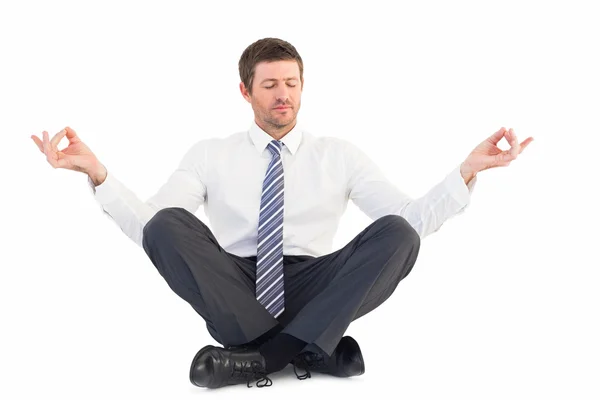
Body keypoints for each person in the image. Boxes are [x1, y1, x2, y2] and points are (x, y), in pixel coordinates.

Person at [31, 37, 534, 389]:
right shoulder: (211, 153)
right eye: (270, 84)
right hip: (236, 288)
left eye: (292, 83)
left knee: (398, 233)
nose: (284, 95)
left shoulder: (338, 153)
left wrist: (467, 172)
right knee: (167, 224)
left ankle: (261, 358)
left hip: (317, 284)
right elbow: (155, 232)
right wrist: (98, 174)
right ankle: (315, 350)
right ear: (246, 91)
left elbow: (410, 220)